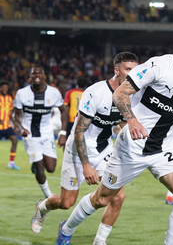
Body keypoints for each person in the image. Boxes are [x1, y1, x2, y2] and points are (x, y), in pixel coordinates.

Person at [55, 21, 173, 245]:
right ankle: (67, 228)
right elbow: (120, 93)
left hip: (164, 148)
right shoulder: (157, 66)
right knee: (102, 199)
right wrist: (132, 120)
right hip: (132, 147)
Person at [31, 53, 138, 245]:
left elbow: (124, 123)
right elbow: (79, 132)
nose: (132, 74)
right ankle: (42, 207)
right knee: (66, 203)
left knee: (118, 197)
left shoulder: (132, 95)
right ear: (117, 71)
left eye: (135, 70)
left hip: (104, 151)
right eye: (128, 69)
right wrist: (86, 165)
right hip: (78, 150)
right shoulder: (96, 92)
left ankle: (100, 241)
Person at [14, 64, 68, 198]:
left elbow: (64, 111)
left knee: (50, 168)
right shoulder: (22, 93)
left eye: (39, 73)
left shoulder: (53, 92)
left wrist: (62, 133)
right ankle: (48, 196)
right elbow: (15, 115)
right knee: (39, 166)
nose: (36, 75)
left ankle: (36, 164)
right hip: (30, 135)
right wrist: (21, 128)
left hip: (47, 134)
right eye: (34, 73)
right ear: (30, 76)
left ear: (44, 76)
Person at [0, 80, 20, 170]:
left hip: (7, 126)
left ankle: (11, 163)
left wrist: (14, 124)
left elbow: (10, 112)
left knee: (15, 140)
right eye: (3, 87)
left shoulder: (9, 98)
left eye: (6, 88)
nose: (5, 89)